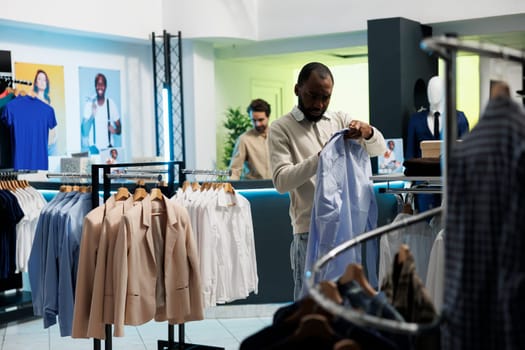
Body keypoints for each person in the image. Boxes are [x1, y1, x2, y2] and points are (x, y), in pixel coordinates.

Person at [268, 62, 386, 300]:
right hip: (309, 232)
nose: (319, 104)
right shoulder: (281, 129)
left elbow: (379, 148)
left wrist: (367, 131)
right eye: (313, 96)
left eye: (325, 97)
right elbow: (281, 181)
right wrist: (321, 159)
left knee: (346, 302)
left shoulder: (340, 120)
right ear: (297, 89)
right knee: (311, 304)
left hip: (347, 229)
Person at [406, 75, 469, 212]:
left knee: (451, 223)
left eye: (437, 90)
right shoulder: (415, 120)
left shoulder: (459, 118)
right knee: (425, 223)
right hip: (423, 184)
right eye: (430, 90)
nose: (433, 93)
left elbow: (467, 153)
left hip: (452, 182)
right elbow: (410, 154)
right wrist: (408, 184)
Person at [229, 98, 272, 180]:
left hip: (277, 188)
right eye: (254, 120)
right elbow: (234, 170)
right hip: (253, 188)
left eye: (260, 120)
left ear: (268, 116)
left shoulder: (279, 136)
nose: (257, 124)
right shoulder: (244, 139)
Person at [82, 73, 121, 154]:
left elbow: (119, 129)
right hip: (94, 150)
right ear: (95, 86)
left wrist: (115, 130)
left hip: (108, 150)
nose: (100, 86)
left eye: (102, 84)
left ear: (105, 86)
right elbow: (84, 131)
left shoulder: (111, 104)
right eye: (98, 84)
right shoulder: (89, 104)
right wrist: (92, 115)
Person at [32, 69, 57, 155]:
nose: (42, 82)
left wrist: (54, 139)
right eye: (39, 79)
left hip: (52, 145)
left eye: (44, 79)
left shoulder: (49, 102)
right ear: (35, 83)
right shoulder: (33, 102)